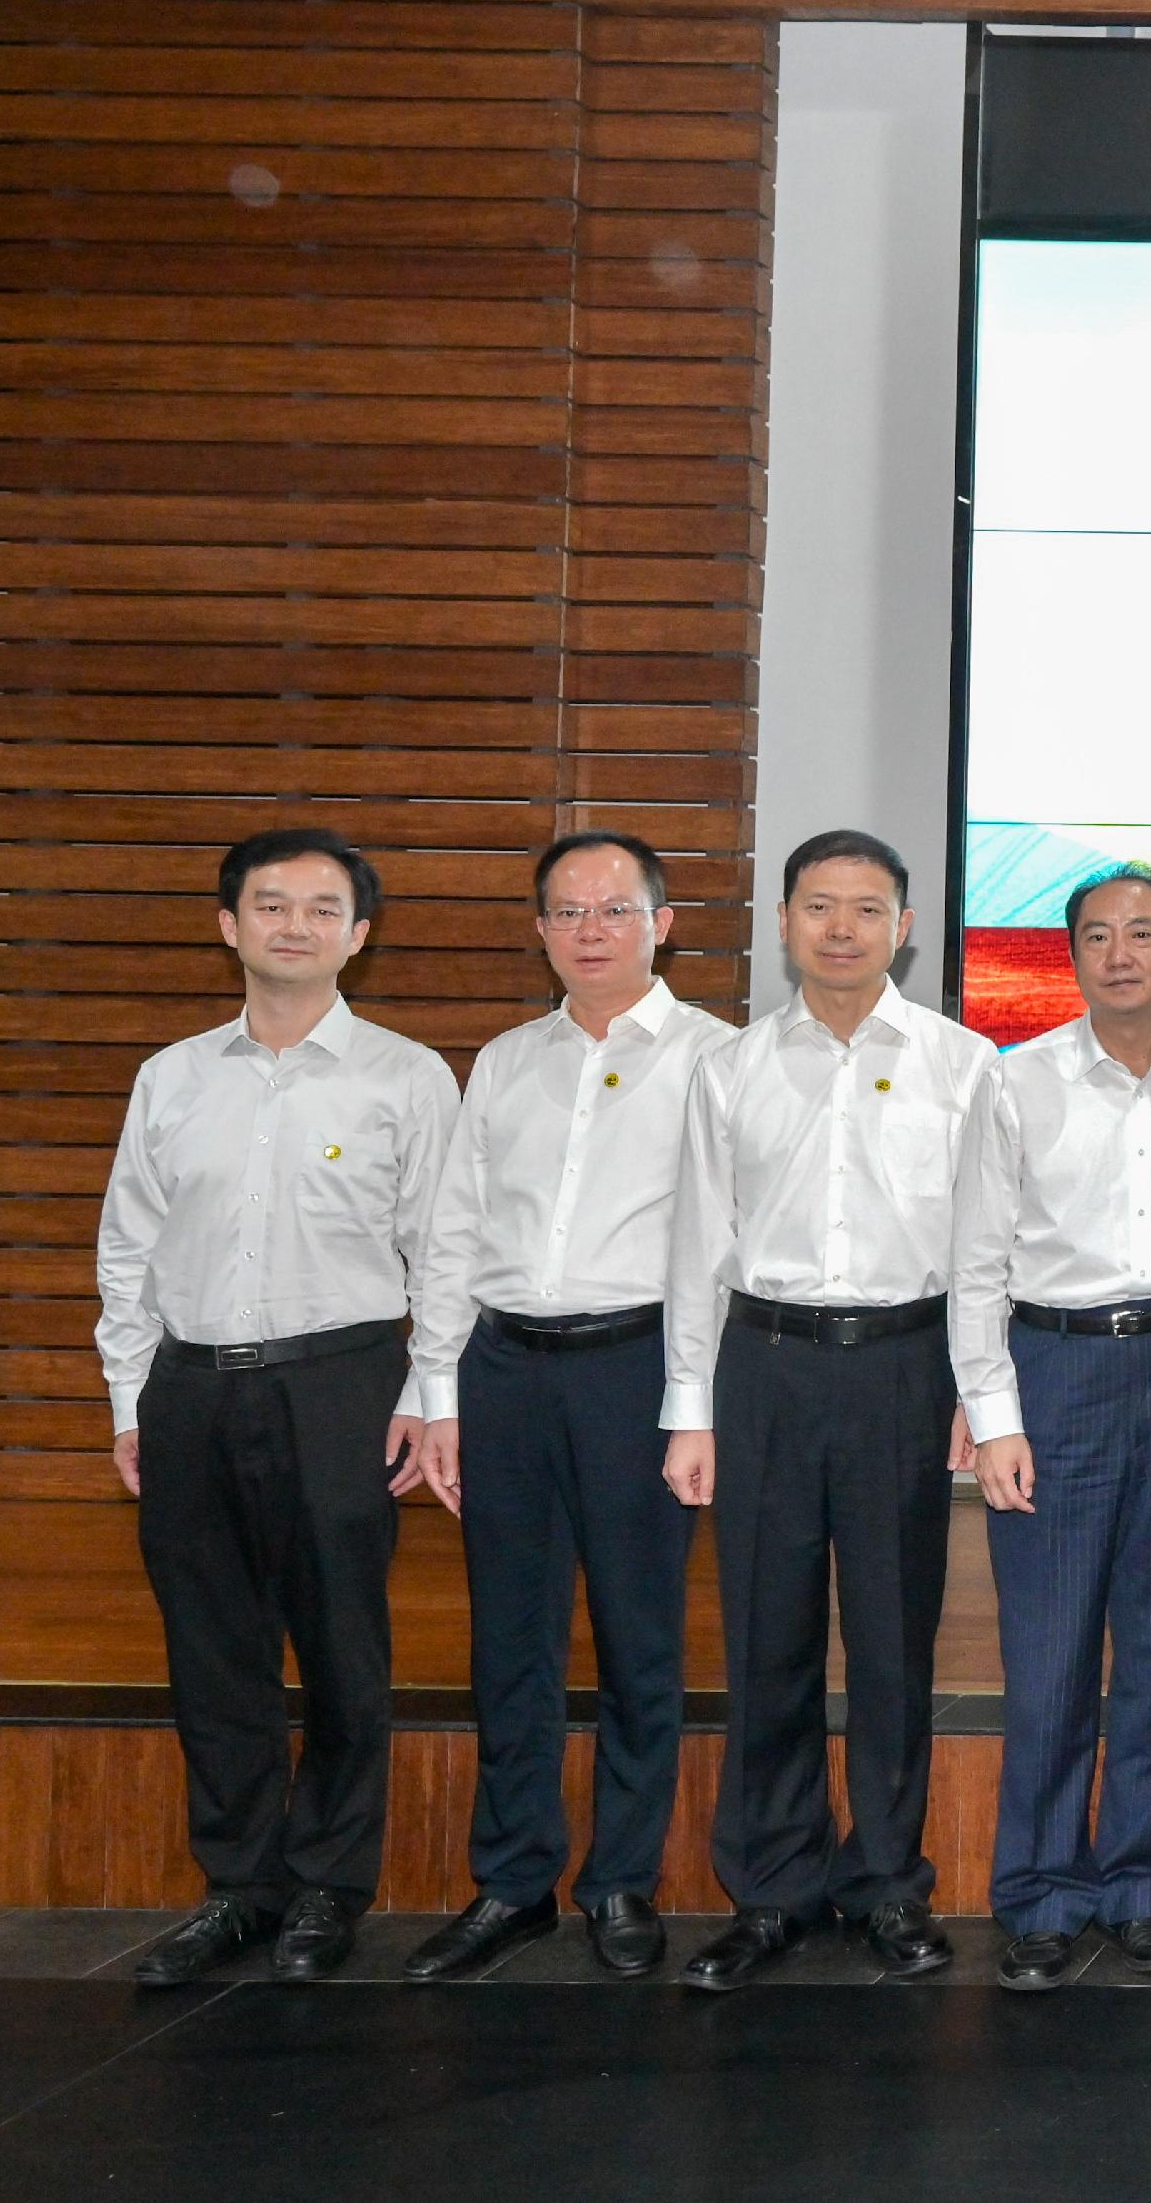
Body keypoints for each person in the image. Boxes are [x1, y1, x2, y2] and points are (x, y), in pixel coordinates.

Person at [97, 827, 459, 1988]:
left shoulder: (405, 1074)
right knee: (213, 1647)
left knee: (343, 1643)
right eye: (269, 904)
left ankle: (327, 1887)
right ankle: (242, 1884)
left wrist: (428, 1389)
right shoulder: (172, 1075)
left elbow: (443, 1253)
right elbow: (128, 1250)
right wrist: (129, 1398)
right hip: (191, 1385)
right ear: (228, 924)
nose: (291, 924)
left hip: (340, 1380)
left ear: (358, 933)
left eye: (320, 907)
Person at [398, 831, 734, 1982]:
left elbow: (720, 1253)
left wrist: (695, 1402)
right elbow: (452, 1228)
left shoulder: (716, 1060)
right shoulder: (503, 1060)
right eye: (566, 911)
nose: (590, 930)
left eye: (613, 909)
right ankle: (512, 1880)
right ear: (540, 928)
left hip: (634, 1369)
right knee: (513, 1638)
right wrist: (434, 1386)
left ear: (663, 921)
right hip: (503, 1370)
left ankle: (622, 1881)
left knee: (640, 1640)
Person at [664, 829, 996, 1991]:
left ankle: (889, 1880)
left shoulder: (965, 1065)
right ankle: (771, 1887)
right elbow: (698, 1249)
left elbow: (982, 1250)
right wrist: (689, 1410)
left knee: (897, 1643)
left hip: (905, 1367)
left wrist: (979, 1393)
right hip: (766, 1368)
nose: (843, 926)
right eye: (819, 905)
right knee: (768, 1636)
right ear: (786, 922)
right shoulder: (732, 1068)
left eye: (867, 907)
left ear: (906, 926)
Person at [948, 864, 1151, 1992]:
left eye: (1145, 932)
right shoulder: (1016, 1079)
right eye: (1098, 935)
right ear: (1072, 956)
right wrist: (993, 1413)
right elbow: (976, 1258)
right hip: (1054, 1369)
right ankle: (1039, 1892)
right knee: (1047, 1655)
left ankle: (1138, 1886)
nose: (1122, 952)